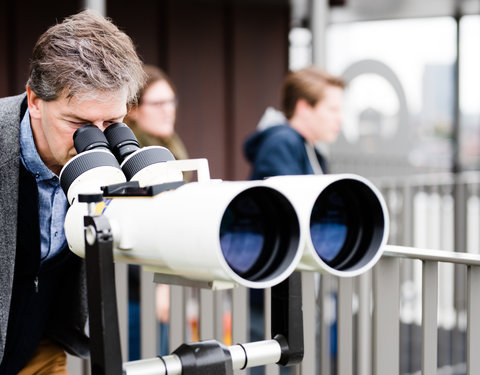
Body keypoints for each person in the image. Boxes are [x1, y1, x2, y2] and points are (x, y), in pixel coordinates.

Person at [0, 10, 145, 373]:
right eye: (79, 124)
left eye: (110, 124)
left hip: (40, 346)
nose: (94, 142)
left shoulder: (111, 160)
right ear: (34, 100)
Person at [243, 66, 345, 375]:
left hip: (286, 280)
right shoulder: (283, 144)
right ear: (303, 107)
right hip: (276, 285)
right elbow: (287, 210)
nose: (340, 118)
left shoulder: (305, 146)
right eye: (333, 109)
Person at [124, 65, 189, 359]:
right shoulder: (133, 156)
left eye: (171, 102)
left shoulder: (169, 149)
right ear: (134, 110)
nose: (168, 111)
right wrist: (159, 286)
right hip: (135, 294)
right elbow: (138, 227)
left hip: (160, 284)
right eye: (158, 103)